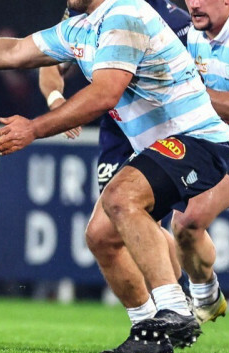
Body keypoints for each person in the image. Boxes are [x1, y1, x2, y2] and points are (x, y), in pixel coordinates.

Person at [0, 0, 229, 353]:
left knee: (124, 198)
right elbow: (15, 50)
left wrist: (34, 128)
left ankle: (176, 309)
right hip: (158, 145)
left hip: (198, 138)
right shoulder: (81, 26)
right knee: (101, 238)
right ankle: (150, 332)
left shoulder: (125, 16)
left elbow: (105, 94)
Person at [38, 0, 195, 334]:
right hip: (117, 133)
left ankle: (172, 306)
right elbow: (48, 62)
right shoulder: (87, 13)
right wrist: (56, 100)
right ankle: (166, 310)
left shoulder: (172, 18)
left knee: (133, 219)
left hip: (161, 129)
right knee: (117, 229)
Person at [169, 0, 229, 324]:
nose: (193, 4)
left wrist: (192, 92)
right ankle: (206, 296)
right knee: (185, 225)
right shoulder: (196, 34)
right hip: (221, 142)